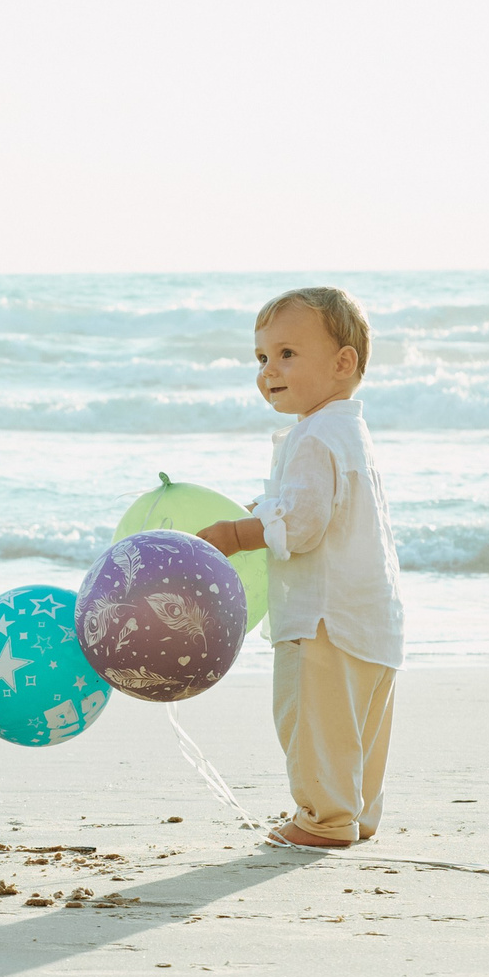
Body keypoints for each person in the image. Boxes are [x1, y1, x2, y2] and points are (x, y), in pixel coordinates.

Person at [196, 287, 404, 849]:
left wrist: (237, 535)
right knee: (359, 726)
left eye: (287, 354)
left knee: (312, 721)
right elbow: (310, 509)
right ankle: (355, 812)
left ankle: (323, 819)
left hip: (322, 619)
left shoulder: (314, 436)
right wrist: (261, 512)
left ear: (343, 363)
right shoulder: (347, 431)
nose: (269, 371)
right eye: (261, 358)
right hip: (370, 616)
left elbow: (305, 522)